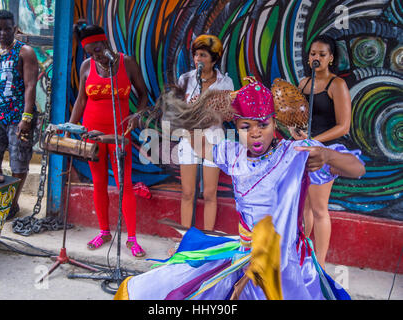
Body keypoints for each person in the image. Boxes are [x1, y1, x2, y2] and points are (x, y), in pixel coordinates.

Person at [114, 80, 365, 300]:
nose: (256, 134)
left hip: (289, 265)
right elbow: (201, 147)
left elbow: (357, 169)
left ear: (274, 122)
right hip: (246, 259)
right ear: (237, 128)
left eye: (263, 125)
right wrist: (192, 116)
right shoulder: (231, 153)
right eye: (246, 127)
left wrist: (328, 155)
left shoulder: (296, 153)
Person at [69, 20, 148, 257]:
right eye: (91, 53)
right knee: (99, 182)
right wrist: (70, 128)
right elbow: (81, 101)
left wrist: (137, 115)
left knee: (124, 184)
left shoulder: (128, 63)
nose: (97, 57)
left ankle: (131, 238)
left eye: (98, 50)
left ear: (106, 42)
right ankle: (104, 231)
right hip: (91, 133)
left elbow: (143, 94)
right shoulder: (86, 67)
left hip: (119, 134)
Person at [293, 35, 352, 268]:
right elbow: (298, 117)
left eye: (322, 54)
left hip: (324, 152)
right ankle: (303, 256)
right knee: (304, 206)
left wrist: (314, 141)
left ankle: (320, 265)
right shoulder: (303, 84)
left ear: (331, 58)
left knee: (318, 209)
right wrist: (296, 131)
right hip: (304, 149)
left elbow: (343, 125)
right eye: (313, 53)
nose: (316, 58)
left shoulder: (336, 85)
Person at [0, 9, 38, 220]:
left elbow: (30, 86)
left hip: (18, 117)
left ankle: (12, 205)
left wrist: (26, 119)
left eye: (7, 29)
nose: (3, 33)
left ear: (14, 29)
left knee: (18, 163)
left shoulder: (25, 52)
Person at [177, 34, 234, 232]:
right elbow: (177, 110)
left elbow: (227, 114)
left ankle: (207, 239)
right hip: (189, 137)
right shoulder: (185, 80)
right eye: (195, 55)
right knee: (187, 192)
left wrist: (209, 113)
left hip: (213, 139)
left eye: (203, 55)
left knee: (209, 193)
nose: (197, 60)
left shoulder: (225, 83)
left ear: (215, 59)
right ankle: (185, 240)